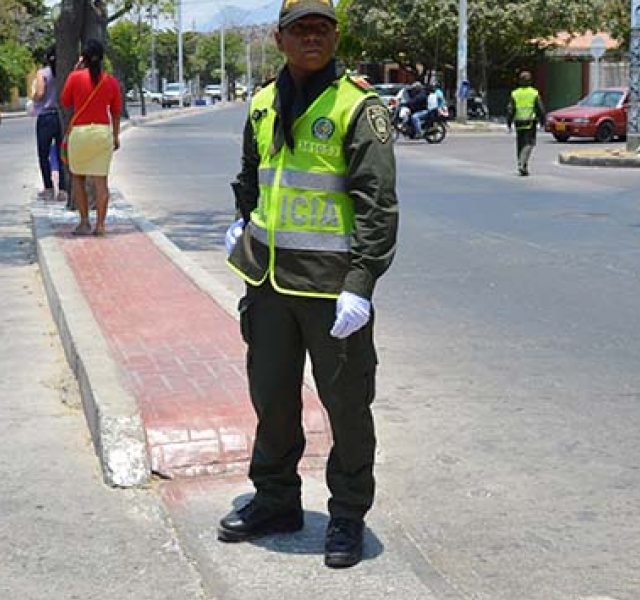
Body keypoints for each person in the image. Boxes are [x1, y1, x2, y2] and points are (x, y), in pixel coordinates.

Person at [219, 0, 399, 570]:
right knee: (271, 399)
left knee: (347, 405)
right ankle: (276, 500)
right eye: (301, 29)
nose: (312, 37)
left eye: (322, 27)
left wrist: (362, 282)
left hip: (330, 291)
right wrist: (242, 224)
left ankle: (347, 512)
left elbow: (377, 205)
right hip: (269, 282)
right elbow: (253, 174)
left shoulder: (358, 107)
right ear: (280, 39)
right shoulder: (264, 102)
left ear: (336, 35)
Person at [60, 39, 122, 235]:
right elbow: (116, 111)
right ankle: (101, 225)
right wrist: (115, 136)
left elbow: (65, 101)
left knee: (77, 178)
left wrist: (74, 71)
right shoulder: (111, 82)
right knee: (101, 182)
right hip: (102, 133)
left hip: (80, 133)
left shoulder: (75, 78)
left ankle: (84, 221)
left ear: (83, 58)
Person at [32, 45, 69, 203]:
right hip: (61, 116)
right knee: (62, 154)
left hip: (46, 117)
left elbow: (40, 94)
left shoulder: (42, 73)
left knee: (43, 153)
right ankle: (63, 189)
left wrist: (33, 96)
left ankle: (48, 188)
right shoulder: (64, 73)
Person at [507, 71, 546, 176]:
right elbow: (540, 108)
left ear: (519, 81)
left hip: (518, 122)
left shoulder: (514, 93)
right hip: (530, 122)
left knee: (520, 144)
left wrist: (509, 123)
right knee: (529, 143)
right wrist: (543, 122)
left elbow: (510, 110)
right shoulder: (534, 93)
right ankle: (522, 163)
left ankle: (522, 165)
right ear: (530, 81)